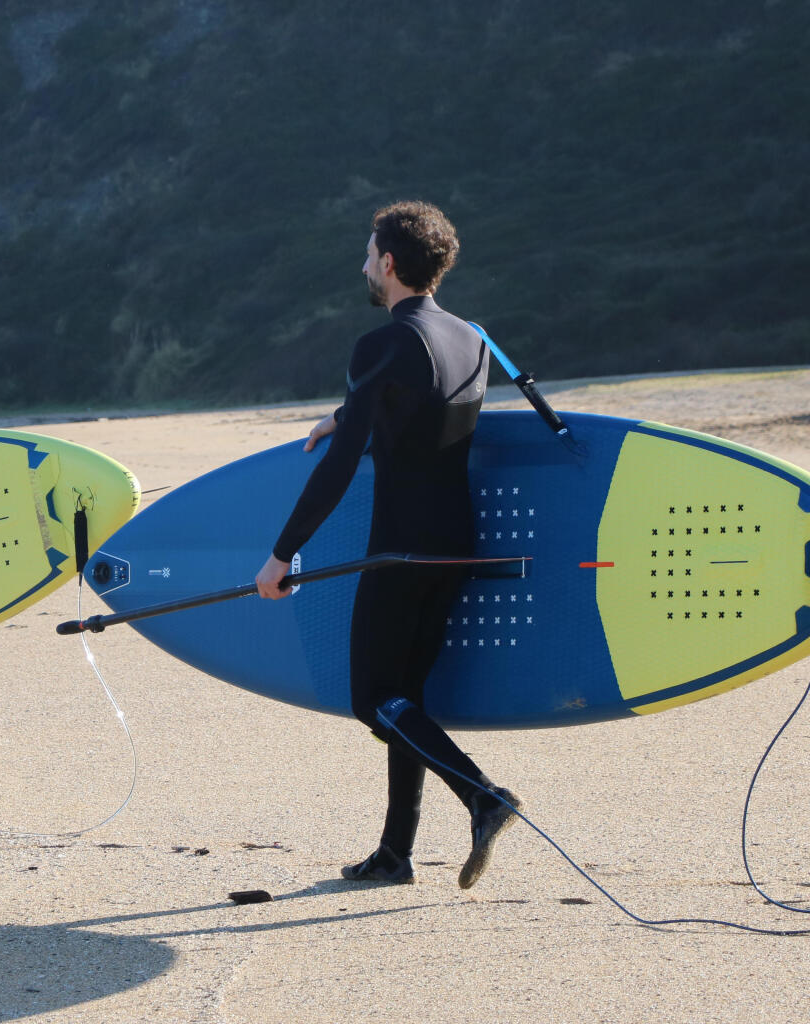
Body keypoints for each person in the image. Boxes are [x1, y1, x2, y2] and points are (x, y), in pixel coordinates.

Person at [254, 202, 522, 888]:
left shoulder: (380, 344)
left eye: (371, 254)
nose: (364, 265)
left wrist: (284, 554)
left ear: (392, 264)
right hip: (457, 543)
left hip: (400, 549)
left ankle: (482, 796)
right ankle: (394, 852)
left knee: (372, 700)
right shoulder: (471, 338)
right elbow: (422, 408)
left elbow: (342, 465)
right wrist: (350, 410)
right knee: (405, 700)